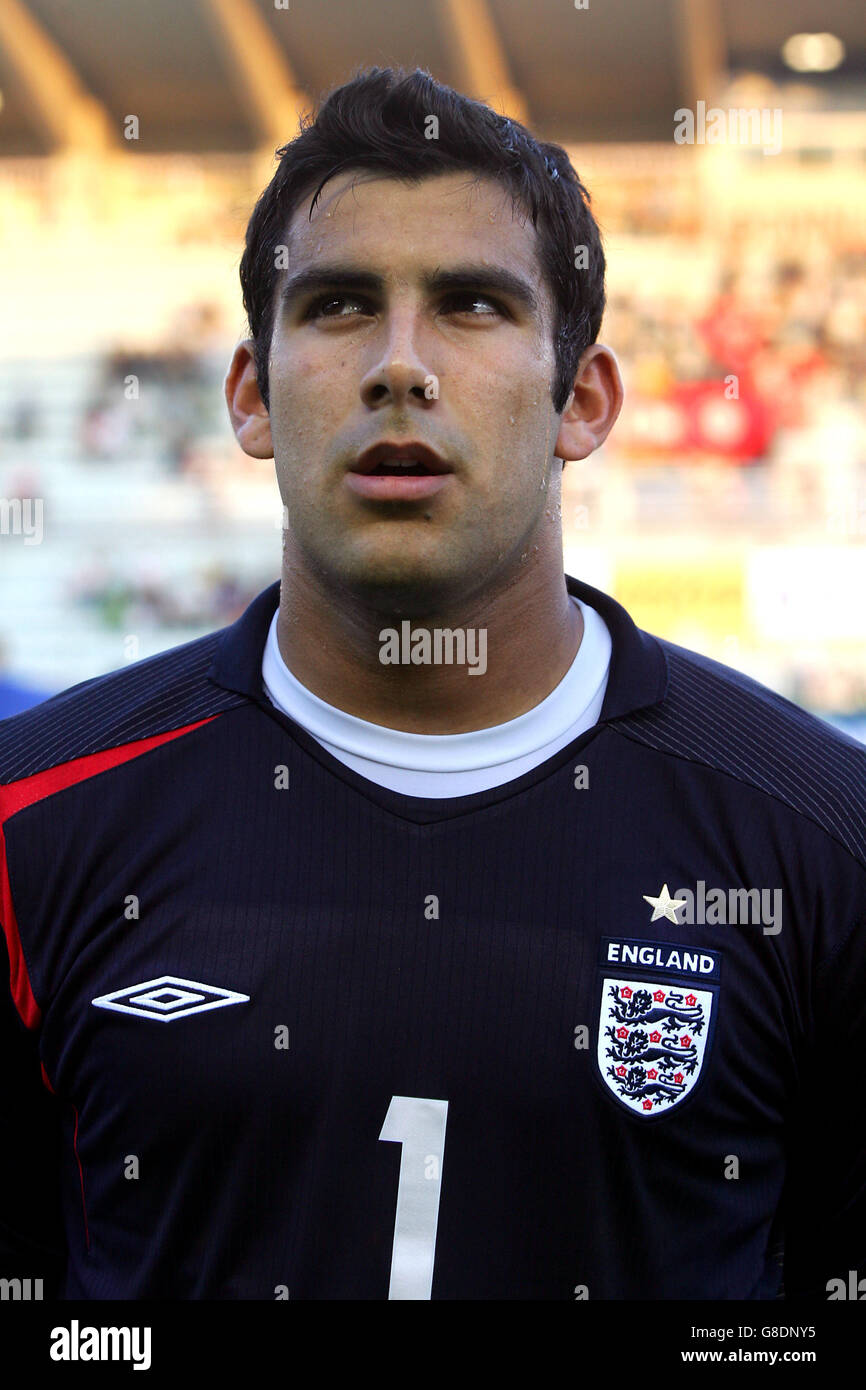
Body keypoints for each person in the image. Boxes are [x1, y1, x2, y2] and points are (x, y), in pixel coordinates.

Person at [1, 66, 864, 1302]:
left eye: (469, 305)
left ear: (583, 399)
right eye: (342, 305)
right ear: (250, 394)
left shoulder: (823, 845)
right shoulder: (29, 827)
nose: (399, 366)